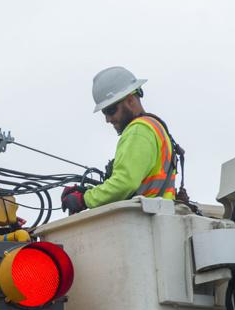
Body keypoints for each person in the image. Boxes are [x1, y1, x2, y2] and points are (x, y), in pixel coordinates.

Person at [61, 66, 181, 214]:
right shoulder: (155, 127)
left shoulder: (138, 130)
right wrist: (91, 192)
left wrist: (84, 199)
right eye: (104, 113)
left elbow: (124, 183)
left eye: (110, 110)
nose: (107, 119)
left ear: (130, 100)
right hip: (157, 218)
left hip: (143, 221)